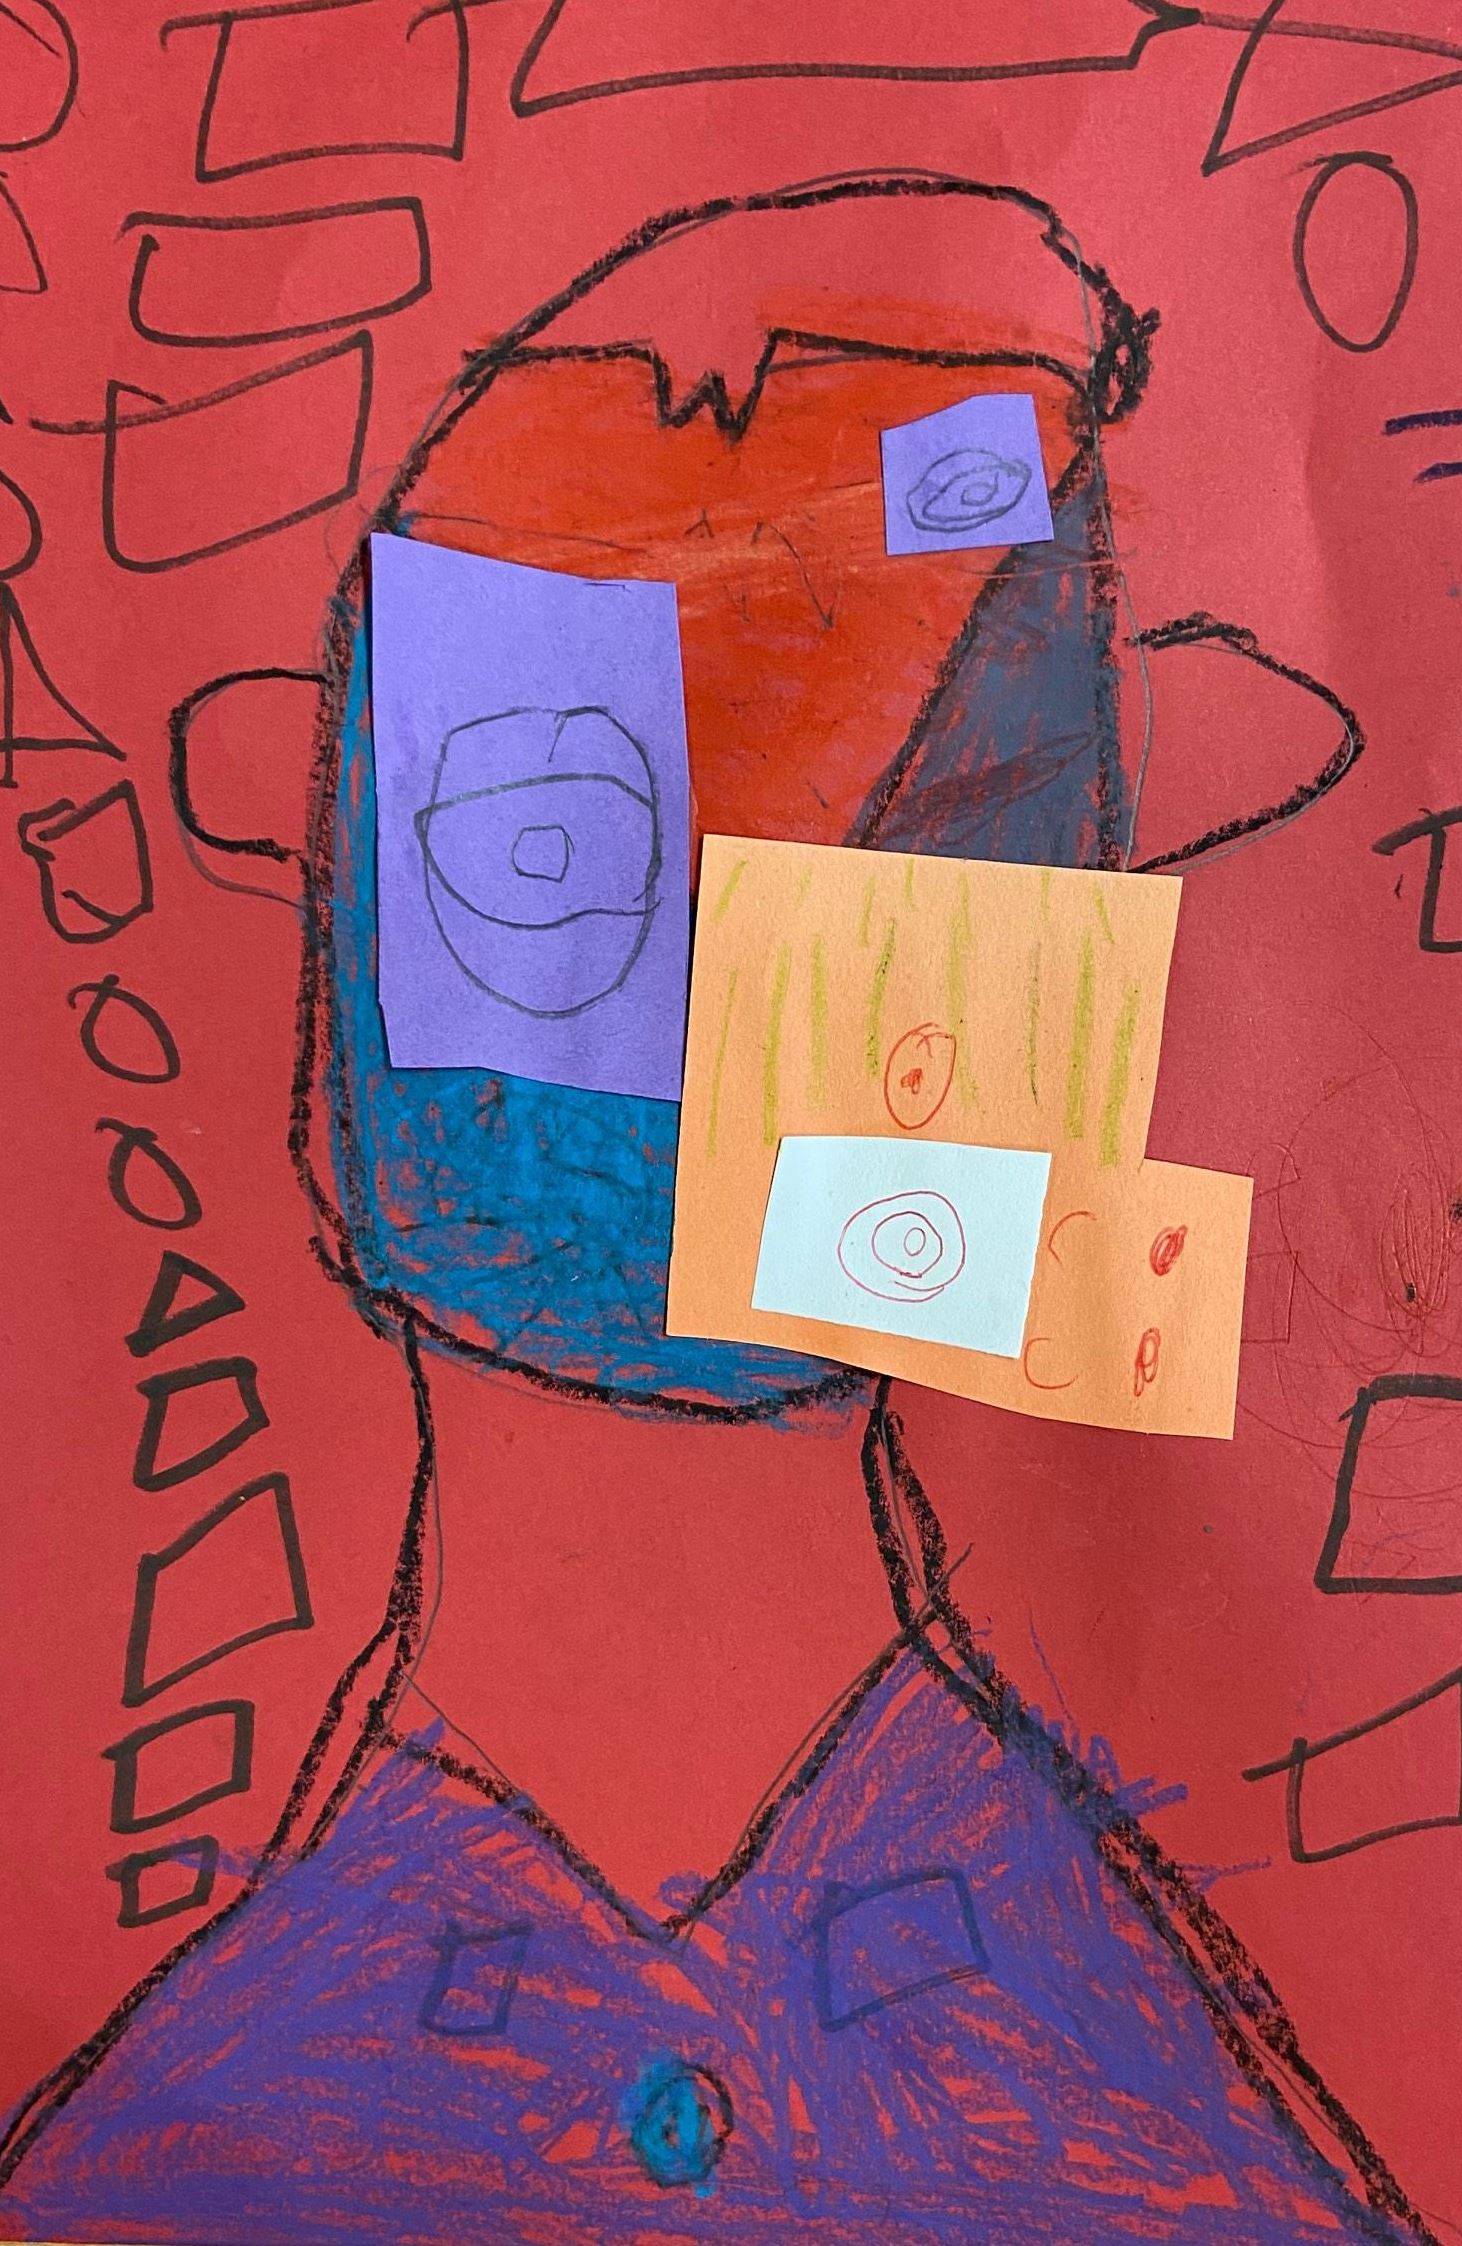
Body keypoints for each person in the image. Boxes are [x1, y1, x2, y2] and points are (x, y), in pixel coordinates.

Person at [0, 170, 1415, 2246]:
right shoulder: (184, 2141)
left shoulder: (1148, 2136)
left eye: (930, 808)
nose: (691, 997)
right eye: (535, 839)